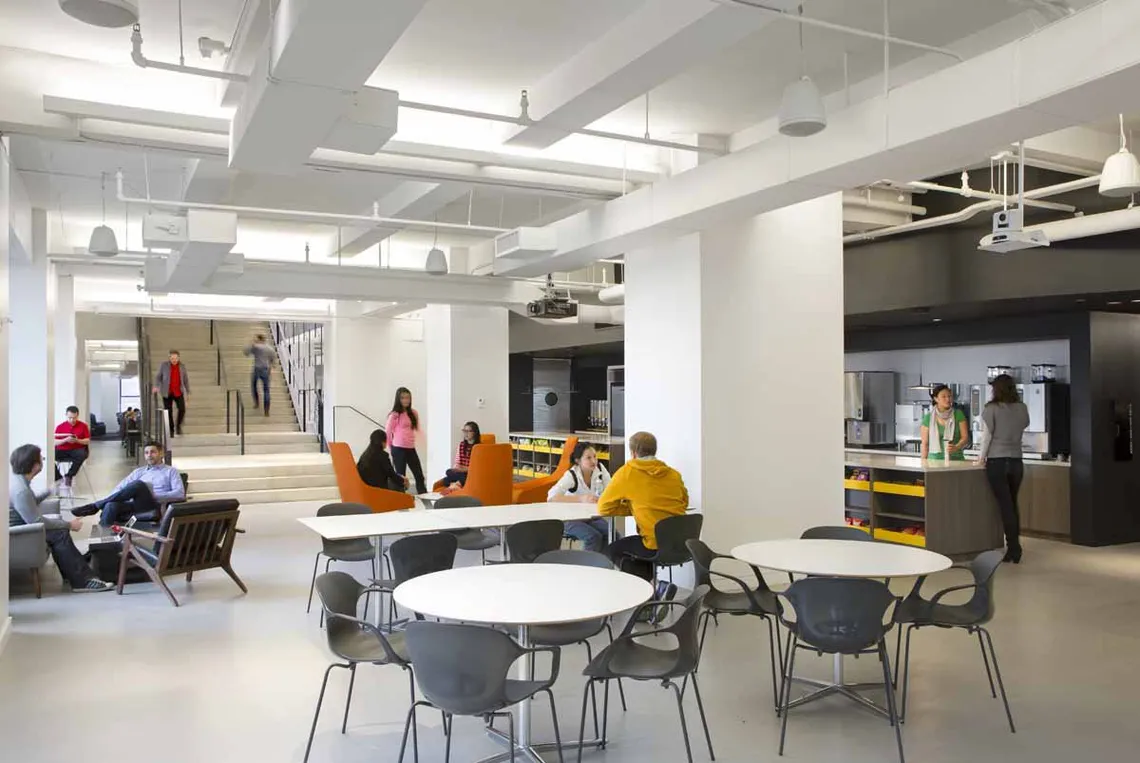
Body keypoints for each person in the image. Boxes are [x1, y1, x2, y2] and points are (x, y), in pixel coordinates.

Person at [8, 444, 112, 592]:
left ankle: (75, 570)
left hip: (20, 529)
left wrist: (49, 490)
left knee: (59, 531)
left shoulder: (19, 482)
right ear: (35, 465)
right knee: (59, 533)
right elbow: (36, 521)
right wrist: (68, 524)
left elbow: (30, 503)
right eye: (41, 458)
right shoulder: (21, 490)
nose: (43, 460)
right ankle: (82, 581)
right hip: (17, 535)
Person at [598, 432, 689, 586]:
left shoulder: (627, 473)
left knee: (611, 551)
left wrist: (631, 508)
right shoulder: (673, 474)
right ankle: (655, 588)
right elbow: (684, 502)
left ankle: (647, 589)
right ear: (655, 450)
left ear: (633, 453)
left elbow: (604, 508)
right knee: (639, 547)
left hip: (653, 544)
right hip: (680, 543)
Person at [979, 374, 1031, 564]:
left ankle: (1014, 548)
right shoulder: (1022, 408)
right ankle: (1014, 548)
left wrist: (981, 457)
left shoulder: (991, 409)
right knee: (1012, 504)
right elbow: (1024, 425)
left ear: (996, 389)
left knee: (1005, 506)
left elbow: (987, 437)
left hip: (997, 461)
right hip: (1016, 461)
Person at [72, 441, 185, 527]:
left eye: (153, 452)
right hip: (134, 504)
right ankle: (102, 543)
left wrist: (155, 495)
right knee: (111, 505)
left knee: (138, 484)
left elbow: (180, 493)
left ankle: (95, 506)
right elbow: (121, 487)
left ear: (161, 453)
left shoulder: (171, 471)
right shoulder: (139, 471)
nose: (149, 455)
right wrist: (108, 501)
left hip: (154, 504)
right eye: (146, 453)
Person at [548, 442, 611, 552]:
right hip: (569, 519)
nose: (594, 461)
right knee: (593, 537)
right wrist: (581, 499)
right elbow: (552, 497)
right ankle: (586, 562)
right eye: (588, 458)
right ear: (578, 461)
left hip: (591, 516)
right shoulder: (572, 475)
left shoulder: (600, 469)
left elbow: (611, 489)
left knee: (612, 535)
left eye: (595, 457)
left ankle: (602, 561)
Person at [386, 387, 427, 494]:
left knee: (419, 475)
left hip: (410, 448)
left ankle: (423, 495)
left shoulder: (414, 413)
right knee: (401, 477)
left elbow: (416, 430)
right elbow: (388, 432)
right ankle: (401, 498)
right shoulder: (394, 415)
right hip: (398, 448)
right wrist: (391, 448)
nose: (406, 400)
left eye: (408, 398)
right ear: (398, 399)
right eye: (403, 398)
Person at [920, 384, 969, 461]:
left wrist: (956, 447)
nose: (948, 399)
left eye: (949, 396)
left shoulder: (958, 414)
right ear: (936, 399)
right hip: (934, 461)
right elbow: (925, 444)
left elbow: (965, 438)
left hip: (956, 460)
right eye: (944, 397)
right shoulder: (928, 418)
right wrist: (923, 462)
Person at [53, 405, 91, 488]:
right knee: (49, 456)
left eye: (74, 418)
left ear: (77, 416)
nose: (72, 420)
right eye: (70, 418)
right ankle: (58, 477)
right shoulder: (60, 427)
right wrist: (65, 440)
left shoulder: (83, 426)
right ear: (66, 415)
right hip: (62, 450)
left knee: (82, 454)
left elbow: (87, 441)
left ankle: (69, 476)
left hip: (77, 450)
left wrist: (77, 440)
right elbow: (54, 442)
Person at [154, 350, 189, 436]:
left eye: (176, 358)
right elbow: (158, 377)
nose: (174, 360)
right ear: (169, 358)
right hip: (167, 392)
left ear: (178, 358)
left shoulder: (182, 367)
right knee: (168, 411)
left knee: (182, 409)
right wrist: (156, 386)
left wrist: (187, 392)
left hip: (178, 391)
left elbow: (185, 380)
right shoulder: (164, 365)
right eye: (172, 358)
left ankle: (178, 426)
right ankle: (171, 430)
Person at [243, 333, 277, 416]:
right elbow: (273, 360)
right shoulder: (270, 348)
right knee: (266, 390)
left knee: (254, 386)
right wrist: (271, 368)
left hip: (256, 369)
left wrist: (251, 343)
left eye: (256, 339)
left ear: (258, 339)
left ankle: (257, 403)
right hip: (265, 369)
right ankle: (266, 410)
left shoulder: (255, 347)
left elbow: (246, 353)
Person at [440, 422, 481, 488]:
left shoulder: (479, 447)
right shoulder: (461, 444)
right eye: (464, 431)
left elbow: (478, 466)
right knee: (448, 473)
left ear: (475, 432)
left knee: (466, 476)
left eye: (468, 431)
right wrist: (456, 468)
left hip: (471, 473)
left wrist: (466, 469)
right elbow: (457, 461)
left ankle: (456, 484)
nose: (466, 434)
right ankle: (458, 484)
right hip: (461, 472)